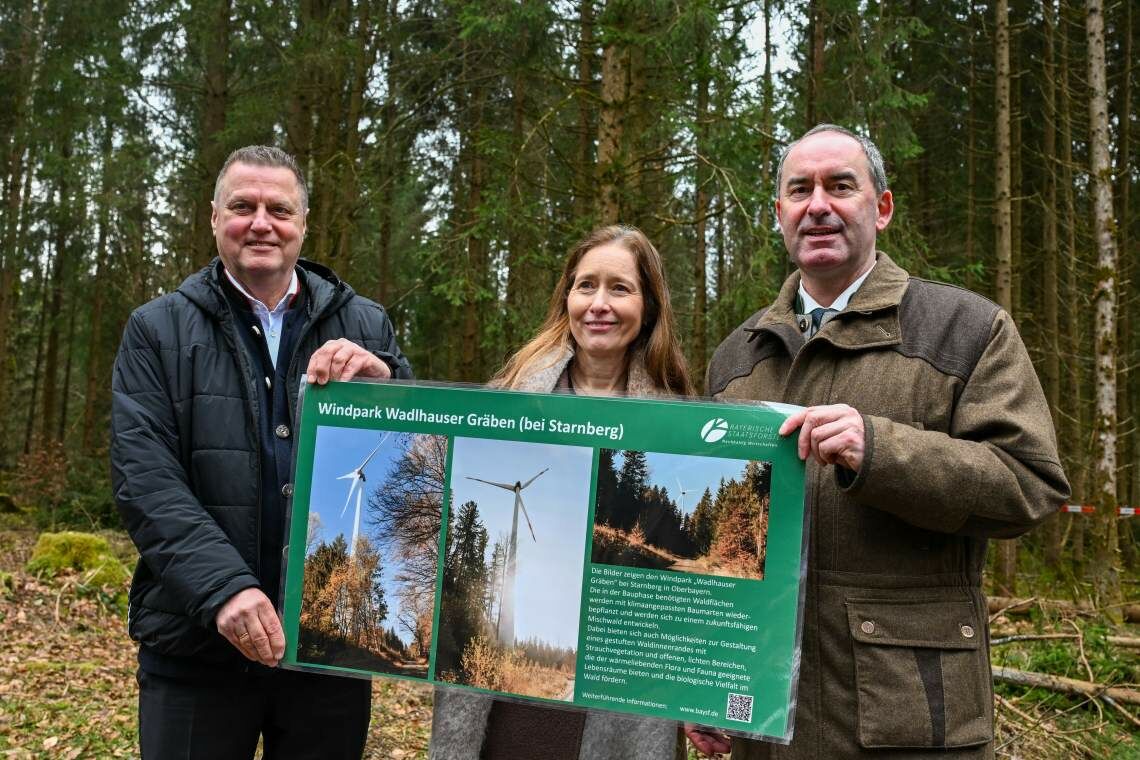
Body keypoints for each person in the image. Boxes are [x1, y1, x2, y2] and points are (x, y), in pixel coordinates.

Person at [707, 124, 1069, 759]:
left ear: (882, 207)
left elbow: (1029, 484)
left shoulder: (966, 328)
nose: (817, 204)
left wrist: (878, 450)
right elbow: (719, 549)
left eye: (840, 186)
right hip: (766, 723)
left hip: (907, 714)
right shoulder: (737, 356)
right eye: (800, 190)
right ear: (779, 214)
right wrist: (704, 684)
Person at [111, 145, 412, 759]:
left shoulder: (367, 325)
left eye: (279, 208)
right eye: (243, 206)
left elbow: (414, 462)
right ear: (214, 216)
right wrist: (224, 589)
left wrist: (389, 390)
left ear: (304, 223)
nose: (261, 223)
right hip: (194, 644)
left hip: (327, 646)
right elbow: (144, 477)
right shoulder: (156, 329)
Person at [429, 225, 698, 760]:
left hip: (625, 700)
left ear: (648, 305)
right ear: (566, 299)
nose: (599, 304)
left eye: (619, 288)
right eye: (585, 286)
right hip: (509, 700)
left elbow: (687, 593)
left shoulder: (682, 427)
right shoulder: (503, 406)